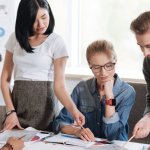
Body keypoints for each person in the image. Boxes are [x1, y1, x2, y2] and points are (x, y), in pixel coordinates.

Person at [0, 0, 84, 132]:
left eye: (44, 17)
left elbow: (59, 86)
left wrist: (74, 111)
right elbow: (5, 80)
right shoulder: (15, 39)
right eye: (34, 20)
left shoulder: (56, 42)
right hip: (17, 108)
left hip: (45, 111)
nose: (41, 24)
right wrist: (11, 112)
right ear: (25, 19)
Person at [53, 40, 136, 141]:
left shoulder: (127, 92)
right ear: (89, 65)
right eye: (97, 67)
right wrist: (76, 131)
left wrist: (110, 96)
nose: (103, 72)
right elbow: (60, 123)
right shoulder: (82, 88)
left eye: (109, 65)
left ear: (115, 62)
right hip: (86, 145)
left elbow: (112, 134)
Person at [130, 11, 150, 139]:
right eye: (141, 47)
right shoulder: (148, 63)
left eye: (149, 46)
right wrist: (147, 118)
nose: (145, 53)